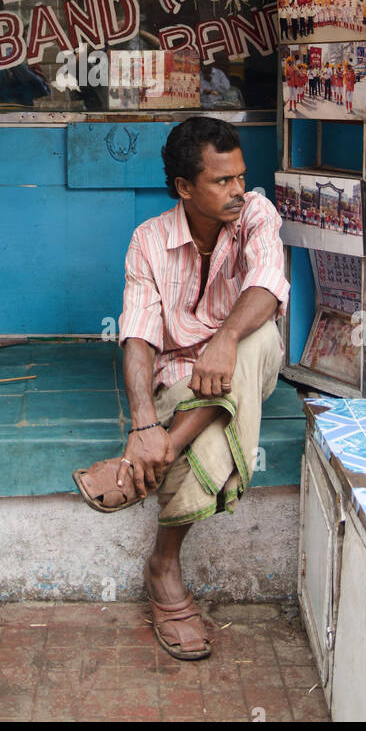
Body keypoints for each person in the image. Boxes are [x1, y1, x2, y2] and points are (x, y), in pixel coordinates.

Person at [73, 117, 288, 661]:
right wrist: (144, 423)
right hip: (182, 382)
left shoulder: (257, 214)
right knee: (212, 415)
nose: (238, 189)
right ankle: (164, 534)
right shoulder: (148, 241)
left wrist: (226, 339)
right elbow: (139, 337)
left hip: (247, 359)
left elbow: (266, 286)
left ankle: (164, 557)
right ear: (185, 188)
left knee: (256, 339)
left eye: (241, 176)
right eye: (222, 181)